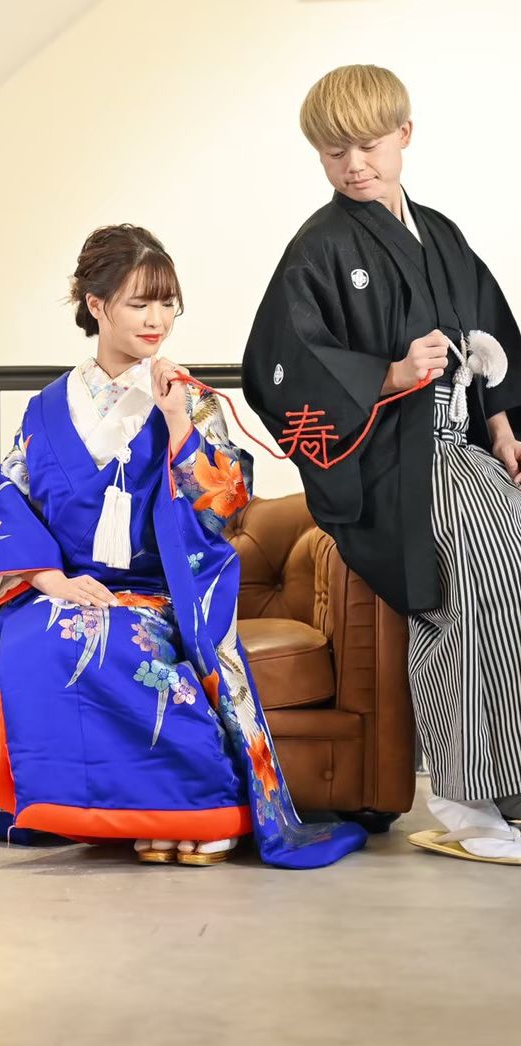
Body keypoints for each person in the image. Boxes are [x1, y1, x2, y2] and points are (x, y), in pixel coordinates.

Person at [0, 224, 366, 869]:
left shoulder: (187, 399)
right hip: (69, 584)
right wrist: (51, 582)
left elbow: (226, 505)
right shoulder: (46, 408)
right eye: (139, 303)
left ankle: (205, 812)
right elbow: (10, 496)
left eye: (168, 303)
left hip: (164, 586)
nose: (158, 320)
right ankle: (101, 815)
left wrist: (178, 424)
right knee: (38, 634)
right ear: (96, 305)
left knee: (125, 639)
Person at [242, 65, 521, 864]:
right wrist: (391, 375)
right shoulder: (320, 247)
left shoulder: (441, 234)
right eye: (334, 152)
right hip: (392, 465)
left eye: (367, 145)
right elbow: (277, 368)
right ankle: (467, 801)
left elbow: (490, 335)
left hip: (462, 446)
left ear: (404, 134)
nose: (353, 165)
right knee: (471, 578)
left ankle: (510, 787)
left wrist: (503, 425)